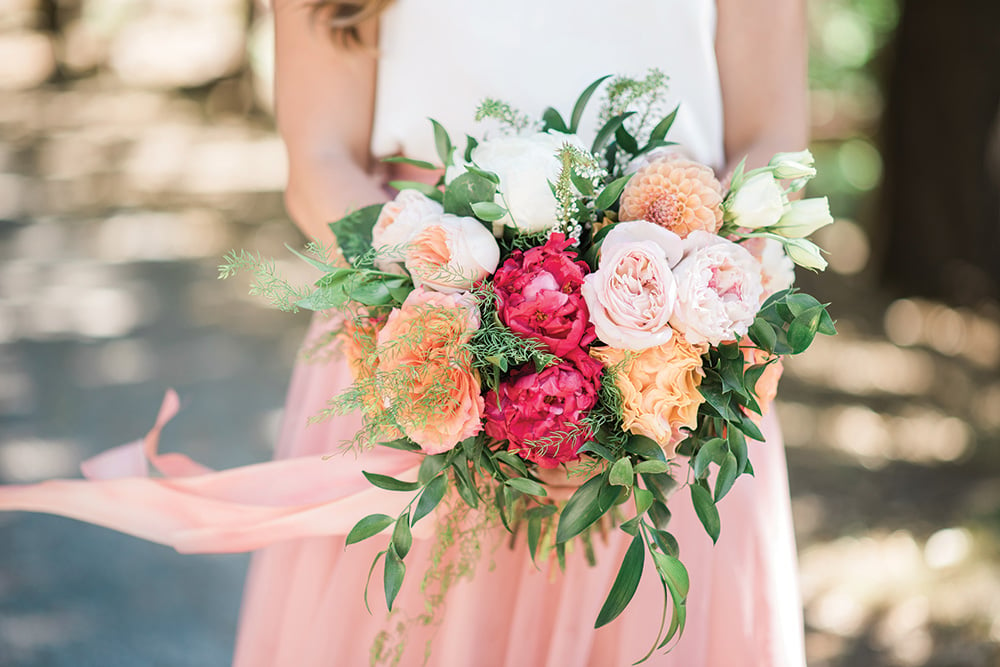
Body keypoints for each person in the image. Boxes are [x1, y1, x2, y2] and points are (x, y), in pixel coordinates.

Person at [0, 0, 809, 664]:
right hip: (416, 339)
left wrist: (676, 319)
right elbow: (319, 156)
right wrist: (470, 326)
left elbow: (773, 137)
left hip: (677, 367)